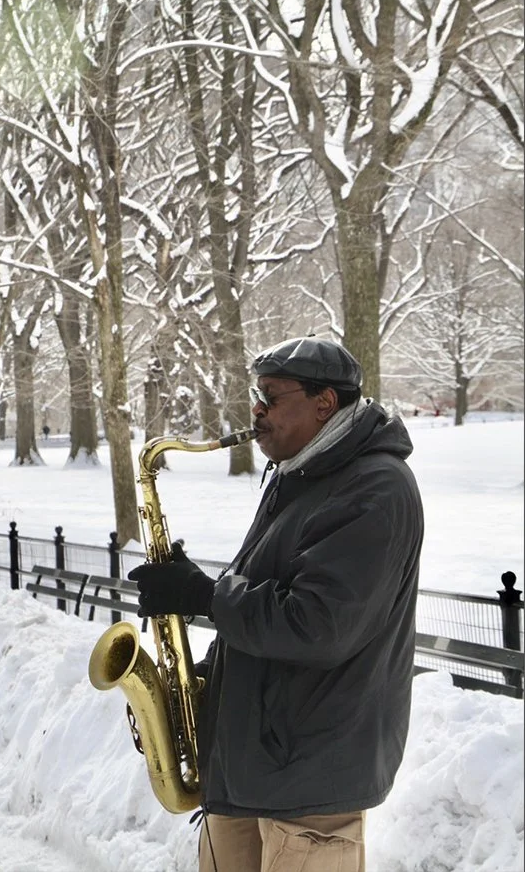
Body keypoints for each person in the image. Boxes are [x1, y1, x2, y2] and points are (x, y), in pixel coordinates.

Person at [130, 335, 424, 872]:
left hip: (311, 775)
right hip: (253, 762)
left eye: (270, 396)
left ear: (324, 402)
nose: (256, 411)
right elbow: (267, 593)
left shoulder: (375, 488)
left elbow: (319, 625)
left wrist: (205, 596)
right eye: (255, 396)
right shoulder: (300, 474)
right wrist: (198, 683)